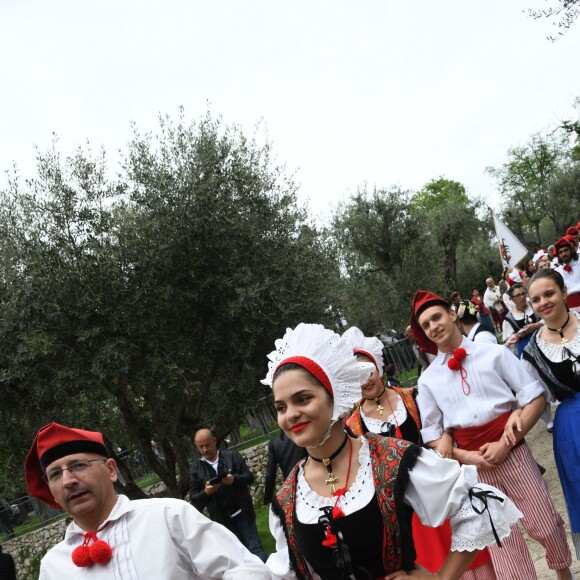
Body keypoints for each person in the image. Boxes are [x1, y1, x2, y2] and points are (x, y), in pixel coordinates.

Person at [263, 323, 521, 580]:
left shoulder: (390, 459)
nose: (291, 415)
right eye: (281, 407)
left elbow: (479, 507)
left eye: (303, 399)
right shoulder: (288, 498)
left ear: (334, 396)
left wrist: (440, 578)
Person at [411, 290, 573, 580]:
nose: (433, 326)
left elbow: (534, 396)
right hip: (474, 470)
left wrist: (506, 440)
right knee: (502, 541)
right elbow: (432, 435)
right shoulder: (428, 381)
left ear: (452, 314)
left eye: (437, 317)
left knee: (545, 524)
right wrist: (465, 455)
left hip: (513, 453)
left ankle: (563, 572)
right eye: (426, 325)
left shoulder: (494, 353)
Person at [342, 326, 495, 579]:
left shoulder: (413, 397)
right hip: (405, 512)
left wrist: (446, 437)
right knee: (432, 567)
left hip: (441, 489)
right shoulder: (354, 426)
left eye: (367, 371)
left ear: (378, 367)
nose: (366, 380)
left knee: (470, 559)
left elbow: (443, 424)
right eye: (356, 377)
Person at [25, 422, 269, 579]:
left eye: (78, 465)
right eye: (55, 474)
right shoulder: (53, 567)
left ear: (111, 470)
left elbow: (248, 570)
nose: (68, 480)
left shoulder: (168, 517)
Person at [515, 268, 580, 559]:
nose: (543, 302)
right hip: (571, 427)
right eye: (536, 299)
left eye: (549, 294)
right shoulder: (532, 351)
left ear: (564, 292)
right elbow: (536, 398)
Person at [189, 428, 267, 562]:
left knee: (255, 550)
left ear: (214, 441)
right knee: (238, 557)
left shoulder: (232, 456)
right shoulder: (195, 468)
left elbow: (249, 477)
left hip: (243, 512)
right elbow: (194, 498)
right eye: (200, 446)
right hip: (222, 520)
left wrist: (234, 480)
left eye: (207, 445)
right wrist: (206, 493)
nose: (204, 450)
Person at [263, 431, 307, 505]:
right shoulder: (302, 434)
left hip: (292, 486)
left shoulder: (273, 443)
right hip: (308, 478)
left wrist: (268, 498)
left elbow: (270, 473)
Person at [502, 283, 543, 358]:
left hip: (544, 341)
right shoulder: (509, 319)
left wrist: (536, 325)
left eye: (523, 293)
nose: (522, 297)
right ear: (511, 298)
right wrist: (518, 335)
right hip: (527, 351)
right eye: (518, 295)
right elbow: (509, 343)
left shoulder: (535, 305)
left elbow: (549, 319)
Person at [554, 236, 580, 311]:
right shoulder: (558, 271)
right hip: (571, 307)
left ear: (571, 250)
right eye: (560, 252)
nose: (564, 254)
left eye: (566, 250)